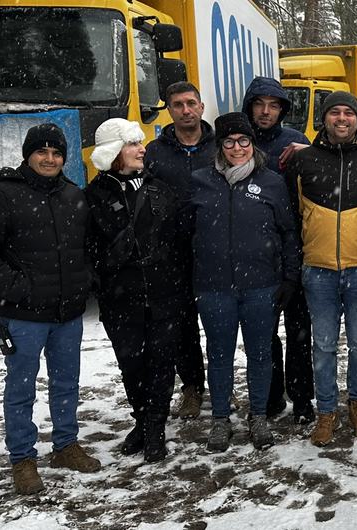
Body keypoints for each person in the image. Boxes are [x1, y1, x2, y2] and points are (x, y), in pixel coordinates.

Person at [0, 123, 100, 494]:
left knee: (66, 383)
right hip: (23, 316)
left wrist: (85, 281)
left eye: (56, 153)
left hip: (67, 313)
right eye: (42, 152)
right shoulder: (2, 196)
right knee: (21, 389)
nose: (50, 159)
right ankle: (22, 459)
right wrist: (18, 288)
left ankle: (66, 446)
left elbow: (88, 249)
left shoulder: (74, 195)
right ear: (28, 155)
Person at [188, 112, 302, 451]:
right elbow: (184, 235)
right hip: (214, 287)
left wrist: (290, 276)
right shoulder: (199, 181)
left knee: (260, 353)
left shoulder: (270, 182)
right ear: (219, 147)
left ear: (252, 144)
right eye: (229, 141)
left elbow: (288, 231)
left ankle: (259, 416)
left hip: (261, 285)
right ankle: (221, 418)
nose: (237, 148)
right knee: (219, 354)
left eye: (243, 141)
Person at [85, 118, 186, 463]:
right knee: (131, 364)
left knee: (161, 362)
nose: (142, 149)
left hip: (164, 295)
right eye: (132, 144)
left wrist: (177, 282)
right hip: (120, 298)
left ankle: (155, 427)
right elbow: (89, 250)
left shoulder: (160, 188)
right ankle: (142, 421)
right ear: (114, 152)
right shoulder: (93, 197)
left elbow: (179, 240)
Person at [288, 92, 357, 447]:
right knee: (324, 345)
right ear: (324, 118)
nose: (341, 119)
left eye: (348, 112)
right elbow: (293, 214)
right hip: (319, 269)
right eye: (334, 113)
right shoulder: (305, 161)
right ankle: (326, 413)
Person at [243, 76, 316, 423]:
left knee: (300, 330)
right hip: (256, 251)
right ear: (250, 106)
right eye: (260, 104)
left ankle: (302, 398)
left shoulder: (295, 141)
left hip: (294, 245)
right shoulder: (238, 142)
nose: (266, 111)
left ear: (283, 110)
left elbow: (318, 179)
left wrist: (310, 153)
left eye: (273, 105)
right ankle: (270, 397)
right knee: (264, 332)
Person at [144, 81, 217, 420]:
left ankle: (222, 384)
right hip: (170, 252)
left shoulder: (220, 147)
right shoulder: (156, 152)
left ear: (201, 107)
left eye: (191, 103)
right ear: (169, 110)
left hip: (215, 247)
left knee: (220, 321)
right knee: (182, 324)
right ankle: (191, 387)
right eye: (178, 105)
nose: (186, 110)